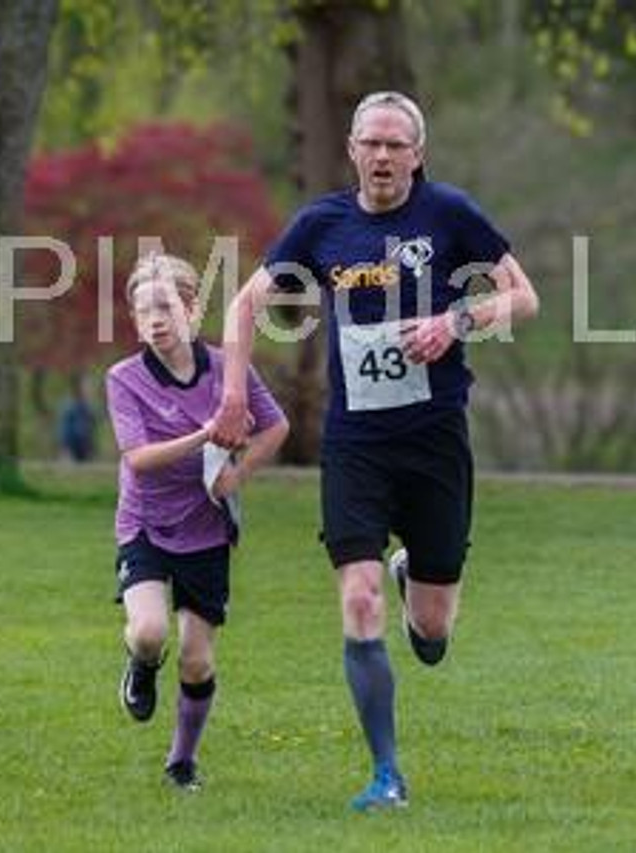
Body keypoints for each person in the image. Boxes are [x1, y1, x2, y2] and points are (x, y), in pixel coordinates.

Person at [208, 91, 539, 811]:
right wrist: (233, 392)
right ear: (352, 150)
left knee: (431, 628)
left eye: (397, 144)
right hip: (356, 445)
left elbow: (523, 299)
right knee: (356, 602)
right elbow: (244, 305)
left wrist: (456, 319)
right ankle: (387, 774)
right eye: (372, 143)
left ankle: (410, 572)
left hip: (435, 442)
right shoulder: (323, 225)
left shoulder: (449, 214)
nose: (383, 156)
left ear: (417, 155)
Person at [106, 252, 289, 791]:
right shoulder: (124, 378)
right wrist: (207, 434)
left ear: (192, 308)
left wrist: (237, 476)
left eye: (165, 306)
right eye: (144, 311)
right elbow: (136, 459)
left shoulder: (226, 369)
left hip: (207, 529)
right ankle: (141, 667)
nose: (156, 319)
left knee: (196, 660)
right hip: (145, 523)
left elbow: (276, 427)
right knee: (149, 632)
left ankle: (181, 762)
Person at [58, 376, 96, 462]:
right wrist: (65, 447)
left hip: (85, 446)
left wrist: (91, 447)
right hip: (71, 446)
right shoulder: (70, 406)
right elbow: (64, 429)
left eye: (89, 388)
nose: (89, 390)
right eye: (86, 387)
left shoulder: (88, 408)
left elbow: (91, 428)